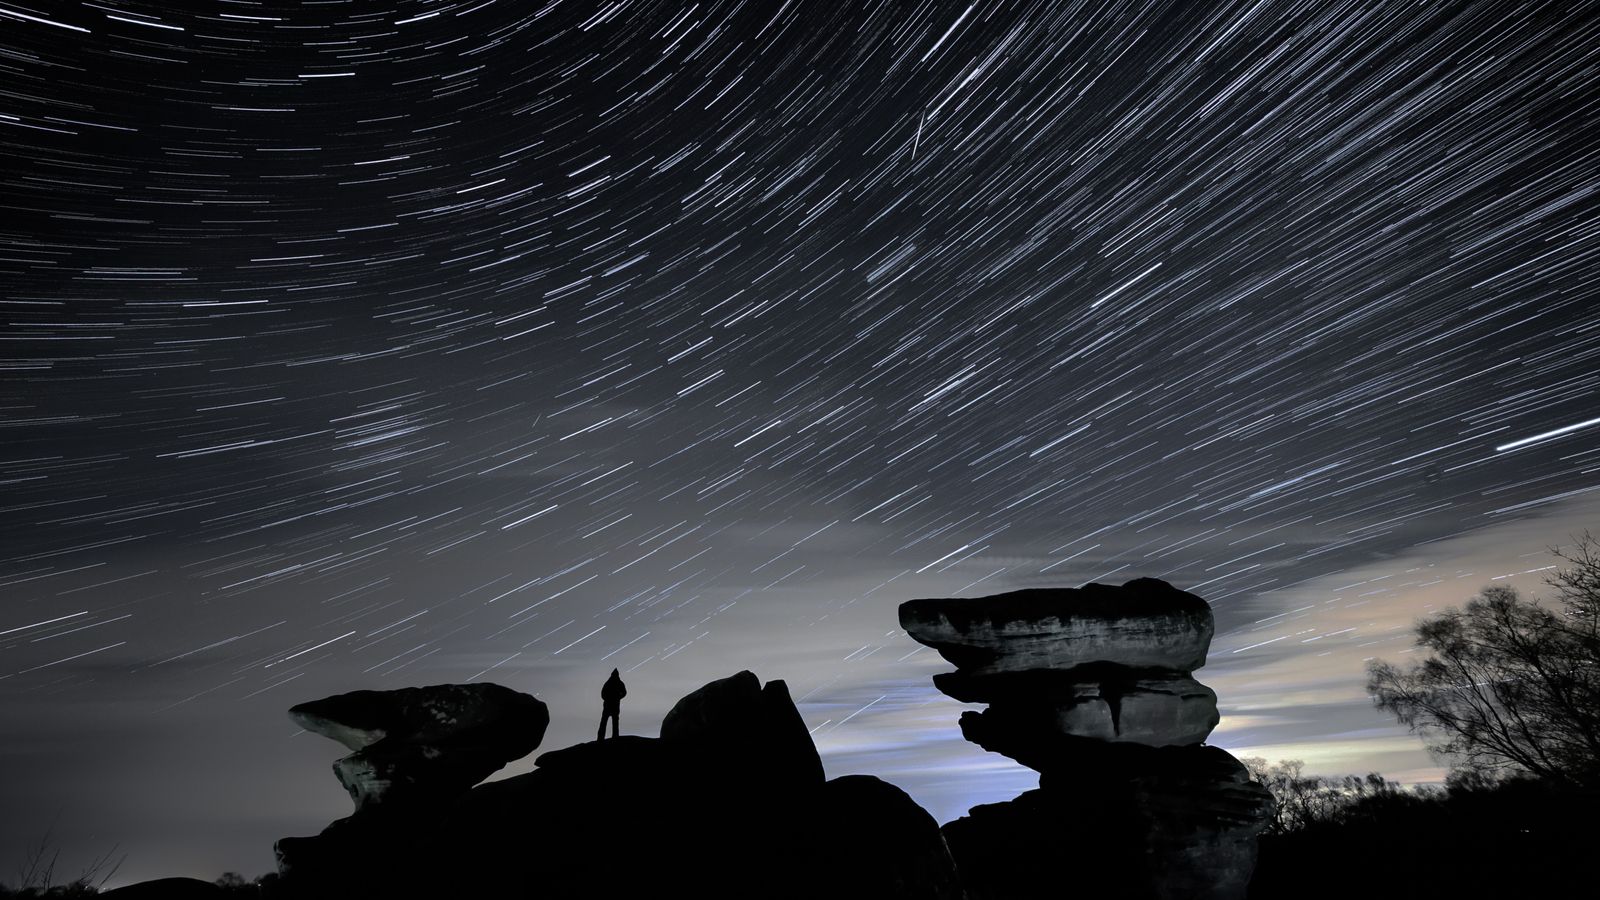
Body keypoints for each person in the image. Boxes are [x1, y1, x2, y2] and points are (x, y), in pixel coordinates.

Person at [597, 667, 626, 740]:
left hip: (612, 705)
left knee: (612, 722)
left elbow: (624, 693)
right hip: (610, 705)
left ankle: (613, 737)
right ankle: (602, 738)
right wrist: (614, 698)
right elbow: (603, 694)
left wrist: (619, 697)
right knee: (606, 722)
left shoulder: (614, 683)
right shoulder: (612, 683)